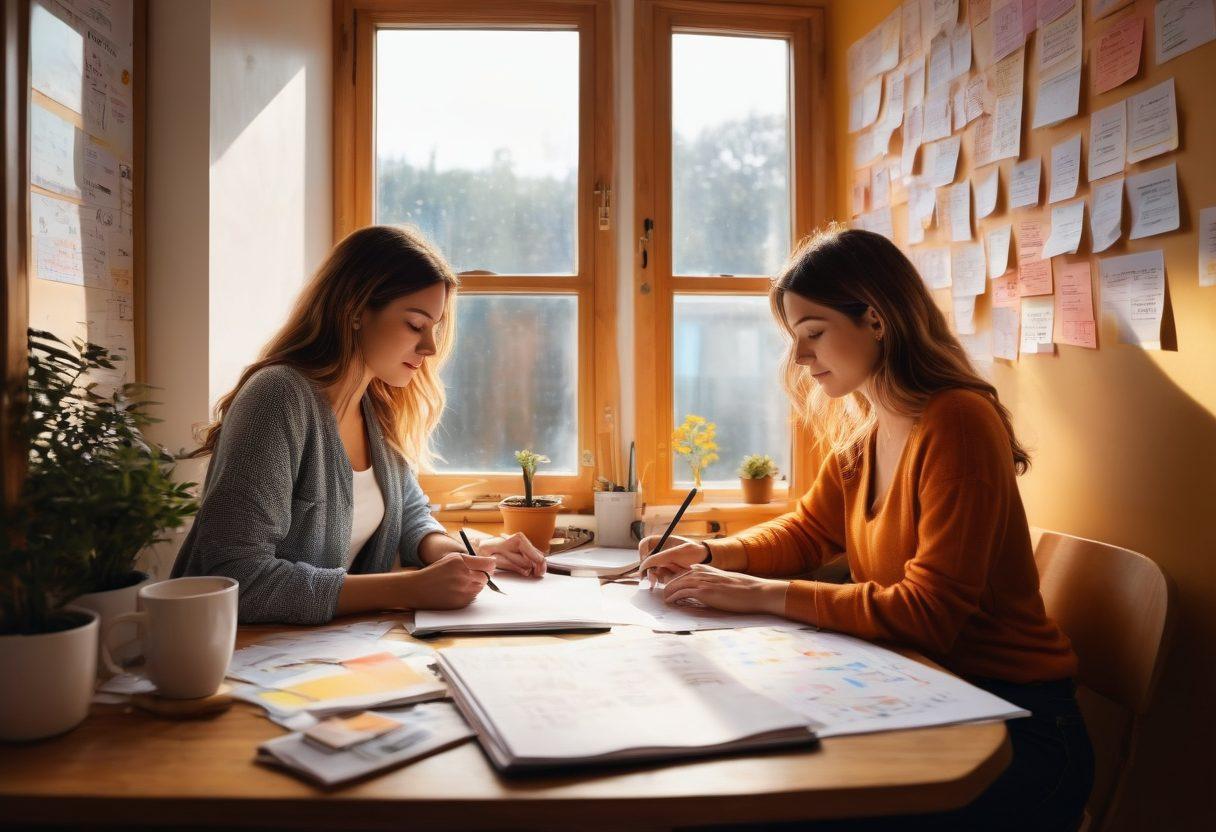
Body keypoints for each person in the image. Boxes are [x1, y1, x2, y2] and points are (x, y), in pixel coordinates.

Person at [638, 227, 1094, 831]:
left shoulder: (957, 421)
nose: (801, 358)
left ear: (876, 320)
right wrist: (711, 551)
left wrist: (765, 594)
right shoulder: (871, 432)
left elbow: (928, 612)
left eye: (814, 334)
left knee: (776, 806)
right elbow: (805, 533)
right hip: (936, 696)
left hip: (1016, 730)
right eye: (795, 340)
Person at [172, 225, 545, 625]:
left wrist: (474, 550)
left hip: (314, 651)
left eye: (434, 329)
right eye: (416, 325)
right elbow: (236, 577)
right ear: (354, 311)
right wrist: (408, 588)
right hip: (227, 655)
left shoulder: (376, 406)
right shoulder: (277, 397)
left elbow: (410, 518)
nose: (430, 348)